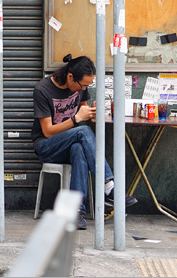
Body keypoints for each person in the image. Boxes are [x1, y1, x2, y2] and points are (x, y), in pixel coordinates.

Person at [32, 54, 137, 230]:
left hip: (71, 141)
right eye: (83, 86)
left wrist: (90, 111)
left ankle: (76, 212)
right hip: (46, 146)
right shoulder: (43, 90)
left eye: (87, 86)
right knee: (83, 131)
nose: (83, 90)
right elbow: (48, 131)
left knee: (79, 150)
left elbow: (82, 106)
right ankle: (109, 187)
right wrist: (76, 119)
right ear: (70, 76)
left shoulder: (80, 87)